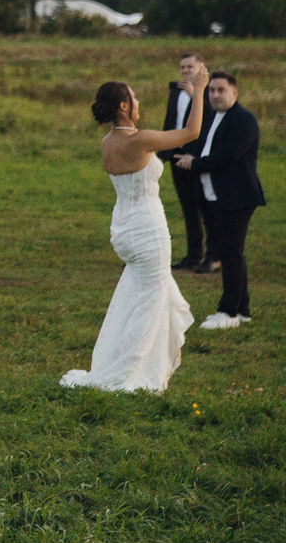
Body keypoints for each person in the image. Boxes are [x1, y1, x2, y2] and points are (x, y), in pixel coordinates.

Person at [61, 78, 203, 392]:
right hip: (147, 229)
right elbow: (191, 133)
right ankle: (125, 373)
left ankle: (124, 362)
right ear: (124, 106)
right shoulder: (139, 141)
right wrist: (200, 90)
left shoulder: (108, 142)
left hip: (124, 227)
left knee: (135, 297)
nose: (138, 102)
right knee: (149, 305)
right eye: (134, 98)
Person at [174, 72, 267, 330]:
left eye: (220, 90)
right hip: (212, 195)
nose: (215, 95)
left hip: (237, 197)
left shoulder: (244, 119)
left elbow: (229, 155)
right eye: (211, 90)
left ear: (234, 93)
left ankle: (228, 312)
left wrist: (195, 163)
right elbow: (201, 147)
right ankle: (242, 310)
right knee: (228, 252)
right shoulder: (211, 117)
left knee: (231, 254)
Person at [162, 50, 217, 273]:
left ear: (201, 68)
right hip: (177, 154)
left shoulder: (211, 92)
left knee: (206, 207)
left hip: (199, 157)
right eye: (182, 67)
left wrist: (197, 94)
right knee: (188, 207)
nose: (185, 71)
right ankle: (193, 255)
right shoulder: (176, 91)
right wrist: (164, 152)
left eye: (190, 67)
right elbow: (171, 121)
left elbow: (212, 121)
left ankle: (213, 256)